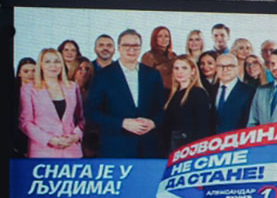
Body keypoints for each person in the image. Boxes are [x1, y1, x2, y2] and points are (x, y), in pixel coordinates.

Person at [84, 28, 166, 158]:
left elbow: (163, 109)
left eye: (135, 45)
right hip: (116, 148)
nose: (131, 49)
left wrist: (153, 123)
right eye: (126, 45)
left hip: (148, 149)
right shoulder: (103, 76)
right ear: (119, 48)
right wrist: (122, 123)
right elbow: (92, 112)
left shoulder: (153, 75)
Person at [19, 48, 83, 158]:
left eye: (57, 61)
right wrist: (50, 140)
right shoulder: (28, 89)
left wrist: (76, 136)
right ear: (41, 65)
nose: (53, 65)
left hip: (71, 152)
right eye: (48, 62)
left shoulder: (72, 87)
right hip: (42, 152)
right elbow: (25, 122)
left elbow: (82, 118)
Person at [162, 56, 211, 151]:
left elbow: (203, 126)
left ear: (193, 71)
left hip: (189, 146)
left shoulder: (198, 93)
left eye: (184, 68)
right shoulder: (173, 94)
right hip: (172, 144)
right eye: (176, 68)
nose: (179, 72)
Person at [209, 53, 255, 134]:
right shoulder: (209, 90)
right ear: (216, 68)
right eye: (220, 66)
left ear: (237, 68)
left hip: (237, 142)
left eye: (230, 66)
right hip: (211, 142)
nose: (225, 70)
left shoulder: (249, 92)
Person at [73, 58, 99, 158]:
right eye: (80, 68)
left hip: (92, 138)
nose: (83, 72)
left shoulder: (96, 91)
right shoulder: (65, 89)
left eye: (87, 69)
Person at [12, 57, 35, 157]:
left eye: (34, 71)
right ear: (19, 74)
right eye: (26, 71)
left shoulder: (45, 91)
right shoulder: (12, 92)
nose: (30, 74)